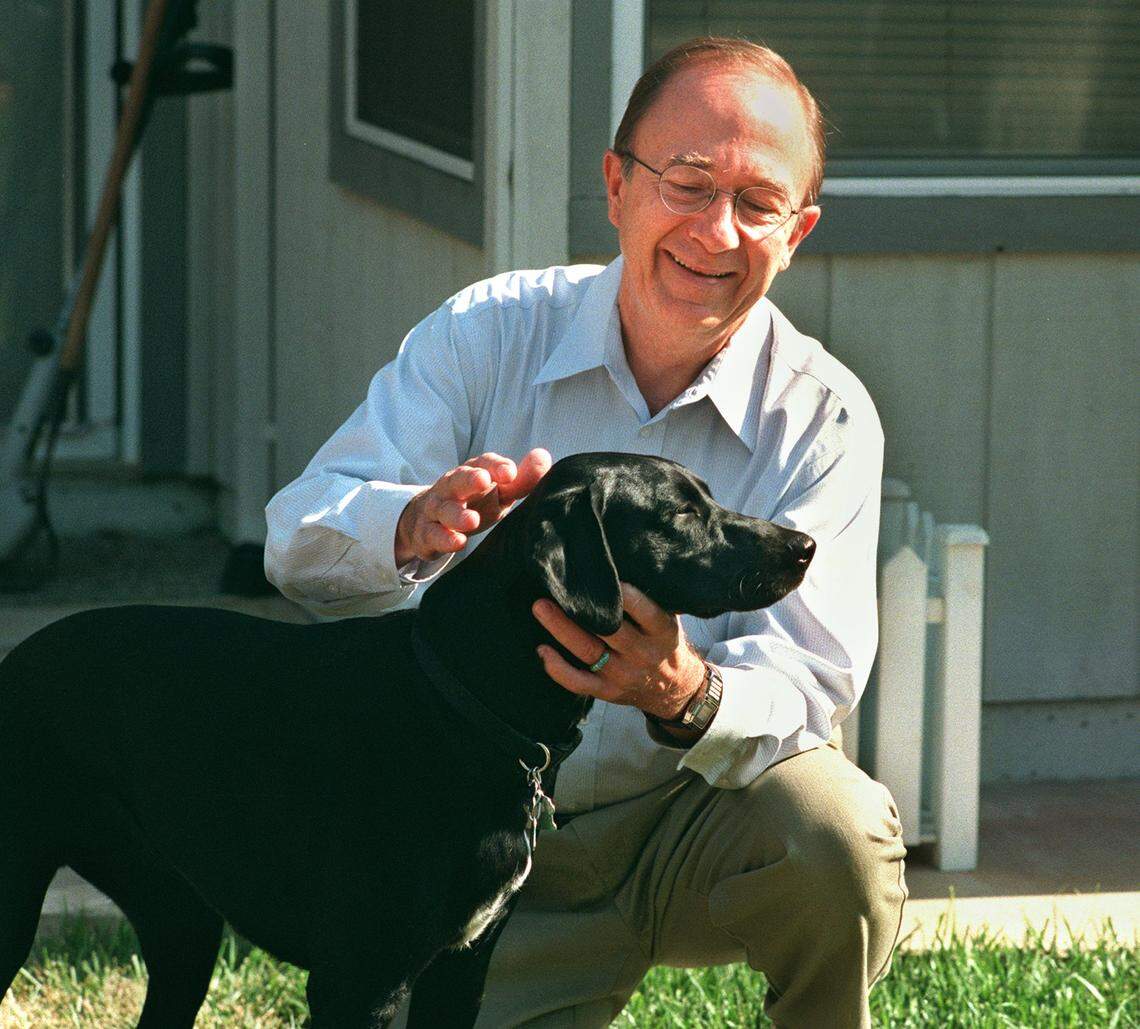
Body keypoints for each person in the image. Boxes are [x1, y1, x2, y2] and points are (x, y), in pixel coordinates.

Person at [265, 36, 906, 1029]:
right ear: (615, 184)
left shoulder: (822, 416)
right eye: (687, 183)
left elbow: (808, 688)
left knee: (833, 834)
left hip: (685, 826)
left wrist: (684, 692)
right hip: (475, 829)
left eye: (759, 203)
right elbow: (297, 539)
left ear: (799, 231)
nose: (717, 231)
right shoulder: (489, 333)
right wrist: (412, 520)